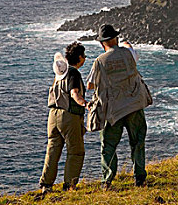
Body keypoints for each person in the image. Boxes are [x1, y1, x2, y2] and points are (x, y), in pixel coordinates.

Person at [87, 24, 151, 189]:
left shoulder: (99, 61)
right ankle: (140, 179)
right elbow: (130, 48)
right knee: (137, 142)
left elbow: (90, 85)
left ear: (102, 44)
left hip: (113, 109)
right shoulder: (128, 53)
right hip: (134, 104)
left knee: (108, 146)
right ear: (116, 39)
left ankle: (107, 181)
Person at [39, 42, 89, 194]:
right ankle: (69, 186)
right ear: (80, 57)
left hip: (53, 116)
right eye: (84, 56)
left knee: (53, 150)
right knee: (76, 151)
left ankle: (46, 185)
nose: (85, 58)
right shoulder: (73, 73)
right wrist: (85, 104)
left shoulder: (59, 72)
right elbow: (74, 93)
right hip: (68, 116)